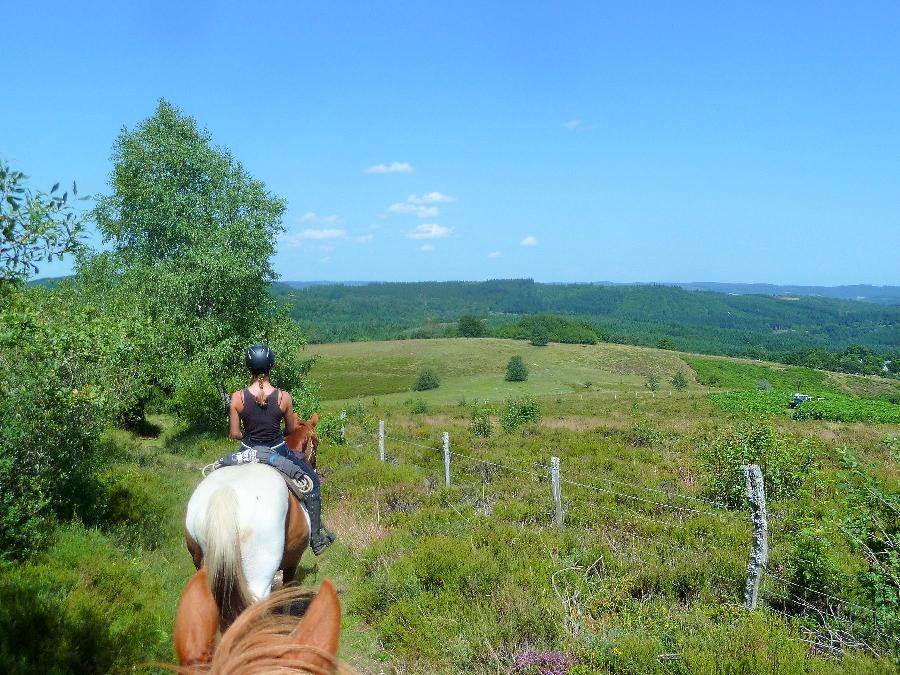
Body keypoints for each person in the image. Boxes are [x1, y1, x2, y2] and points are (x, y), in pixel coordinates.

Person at [216, 344, 335, 555]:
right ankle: (316, 538)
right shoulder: (283, 397)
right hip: (278, 453)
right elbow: (290, 430)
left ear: (248, 368)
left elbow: (235, 434)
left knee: (216, 477)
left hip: (247, 453)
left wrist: (250, 437)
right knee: (313, 483)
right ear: (271, 367)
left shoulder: (237, 397)